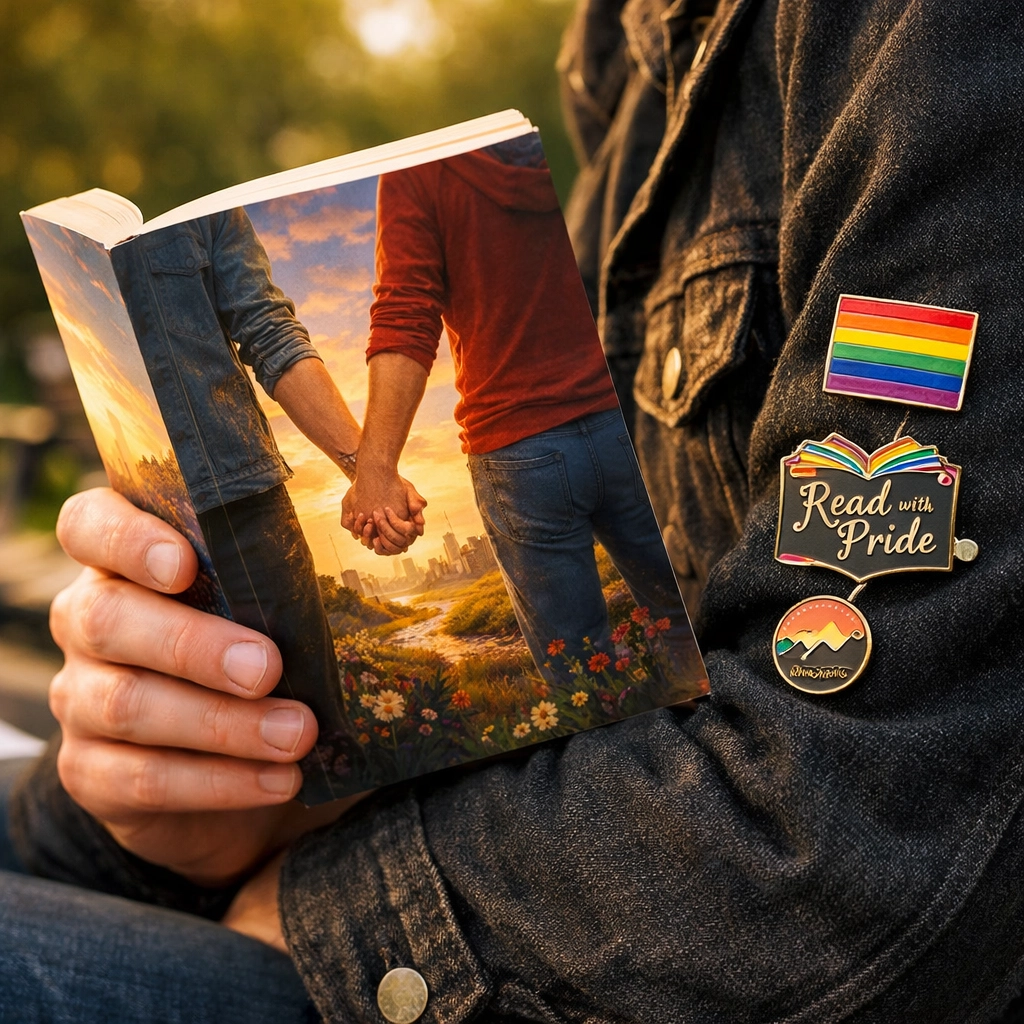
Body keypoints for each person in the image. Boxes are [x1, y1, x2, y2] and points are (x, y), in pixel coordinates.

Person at [3, 1, 1024, 1022]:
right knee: (56, 818)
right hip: (554, 529)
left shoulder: (918, 38)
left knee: (575, 659)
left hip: (637, 891)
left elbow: (865, 807)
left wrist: (331, 906)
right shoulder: (625, 58)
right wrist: (199, 794)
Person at [341, 135, 696, 681]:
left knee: (582, 677)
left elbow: (406, 312)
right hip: (631, 412)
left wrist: (376, 473)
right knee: (694, 622)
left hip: (517, 451)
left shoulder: (420, 166)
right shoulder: (606, 130)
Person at [112, 210, 425, 802]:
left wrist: (370, 476)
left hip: (244, 498)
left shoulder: (211, 216)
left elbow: (270, 333)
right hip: (146, 510)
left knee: (318, 724)